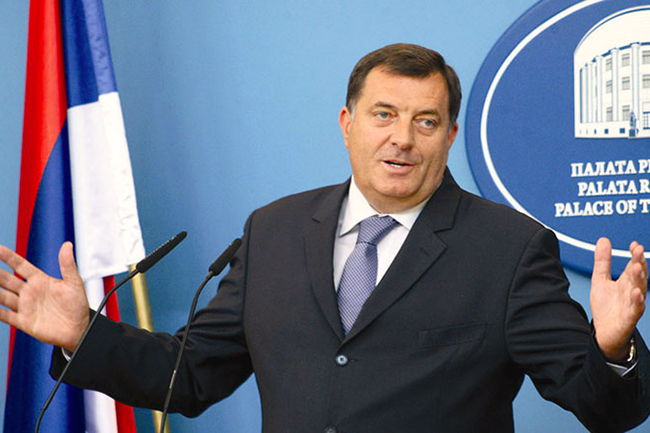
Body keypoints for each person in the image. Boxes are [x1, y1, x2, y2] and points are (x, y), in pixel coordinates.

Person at [0, 43, 648, 432]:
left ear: (450, 136)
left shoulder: (508, 247)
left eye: (426, 121)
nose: (402, 138)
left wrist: (614, 346)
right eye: (384, 114)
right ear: (347, 123)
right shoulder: (274, 230)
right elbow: (190, 376)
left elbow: (605, 408)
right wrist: (84, 333)